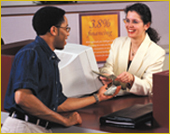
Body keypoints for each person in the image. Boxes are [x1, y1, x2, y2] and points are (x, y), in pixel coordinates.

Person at [1, 6, 121, 133]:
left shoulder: (50, 58)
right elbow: (23, 97)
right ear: (53, 30)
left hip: (38, 127)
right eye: (66, 28)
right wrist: (63, 120)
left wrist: (98, 97)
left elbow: (59, 104)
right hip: (23, 127)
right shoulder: (31, 53)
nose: (68, 33)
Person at [99, 3, 165, 96]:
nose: (129, 25)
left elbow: (150, 87)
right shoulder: (117, 43)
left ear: (146, 25)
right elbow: (108, 66)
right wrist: (107, 75)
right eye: (127, 21)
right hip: (113, 97)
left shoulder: (157, 52)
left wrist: (132, 79)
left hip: (139, 104)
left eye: (135, 22)